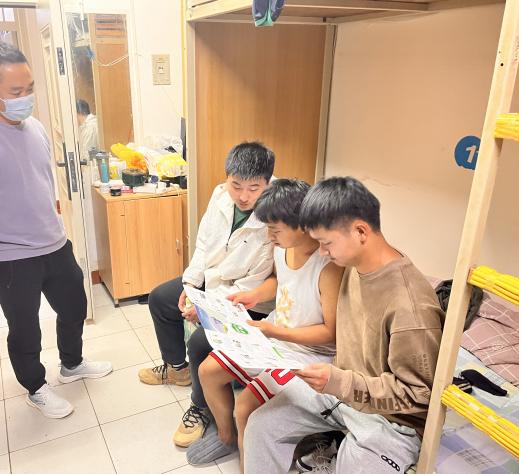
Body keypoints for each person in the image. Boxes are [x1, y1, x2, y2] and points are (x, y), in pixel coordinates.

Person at [0, 41, 112, 419]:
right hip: (11, 257)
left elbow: (37, 181)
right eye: (16, 92)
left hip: (54, 242)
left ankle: (71, 364)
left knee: (74, 306)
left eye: (30, 88)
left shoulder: (34, 127)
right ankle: (35, 387)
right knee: (25, 329)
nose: (26, 99)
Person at [243, 177, 445, 473]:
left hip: (390, 420)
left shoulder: (410, 306)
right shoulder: (351, 266)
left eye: (326, 243)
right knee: (261, 426)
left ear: (360, 231)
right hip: (341, 393)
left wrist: (339, 381)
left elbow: (419, 395)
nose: (322, 253)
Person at [189, 178, 344, 467]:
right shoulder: (283, 247)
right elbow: (279, 280)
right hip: (274, 336)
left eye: (275, 229)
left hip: (308, 353)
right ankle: (227, 437)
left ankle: (248, 461)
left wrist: (275, 331)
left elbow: (330, 333)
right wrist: (253, 296)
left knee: (245, 406)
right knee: (208, 371)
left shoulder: (328, 267)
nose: (269, 235)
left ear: (302, 224)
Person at [138, 142, 276, 447]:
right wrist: (190, 285)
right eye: (236, 185)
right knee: (161, 299)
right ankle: (177, 369)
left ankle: (200, 407)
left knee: (201, 340)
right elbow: (203, 245)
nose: (243, 196)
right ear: (227, 178)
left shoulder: (273, 215)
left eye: (253, 188)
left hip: (246, 298)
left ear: (267, 183)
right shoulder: (219, 195)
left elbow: (254, 281)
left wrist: (206, 308)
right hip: (213, 280)